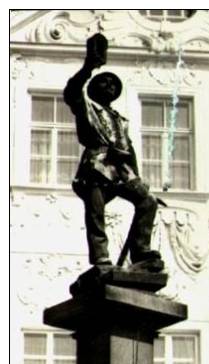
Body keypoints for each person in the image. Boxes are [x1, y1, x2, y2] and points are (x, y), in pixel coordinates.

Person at [64, 33, 163, 271]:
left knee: (147, 201)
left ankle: (141, 252)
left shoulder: (120, 119)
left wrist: (138, 178)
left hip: (121, 169)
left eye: (114, 84)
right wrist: (89, 66)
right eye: (104, 81)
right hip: (97, 164)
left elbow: (129, 151)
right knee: (96, 213)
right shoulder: (86, 105)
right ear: (92, 87)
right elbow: (72, 90)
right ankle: (101, 258)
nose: (109, 85)